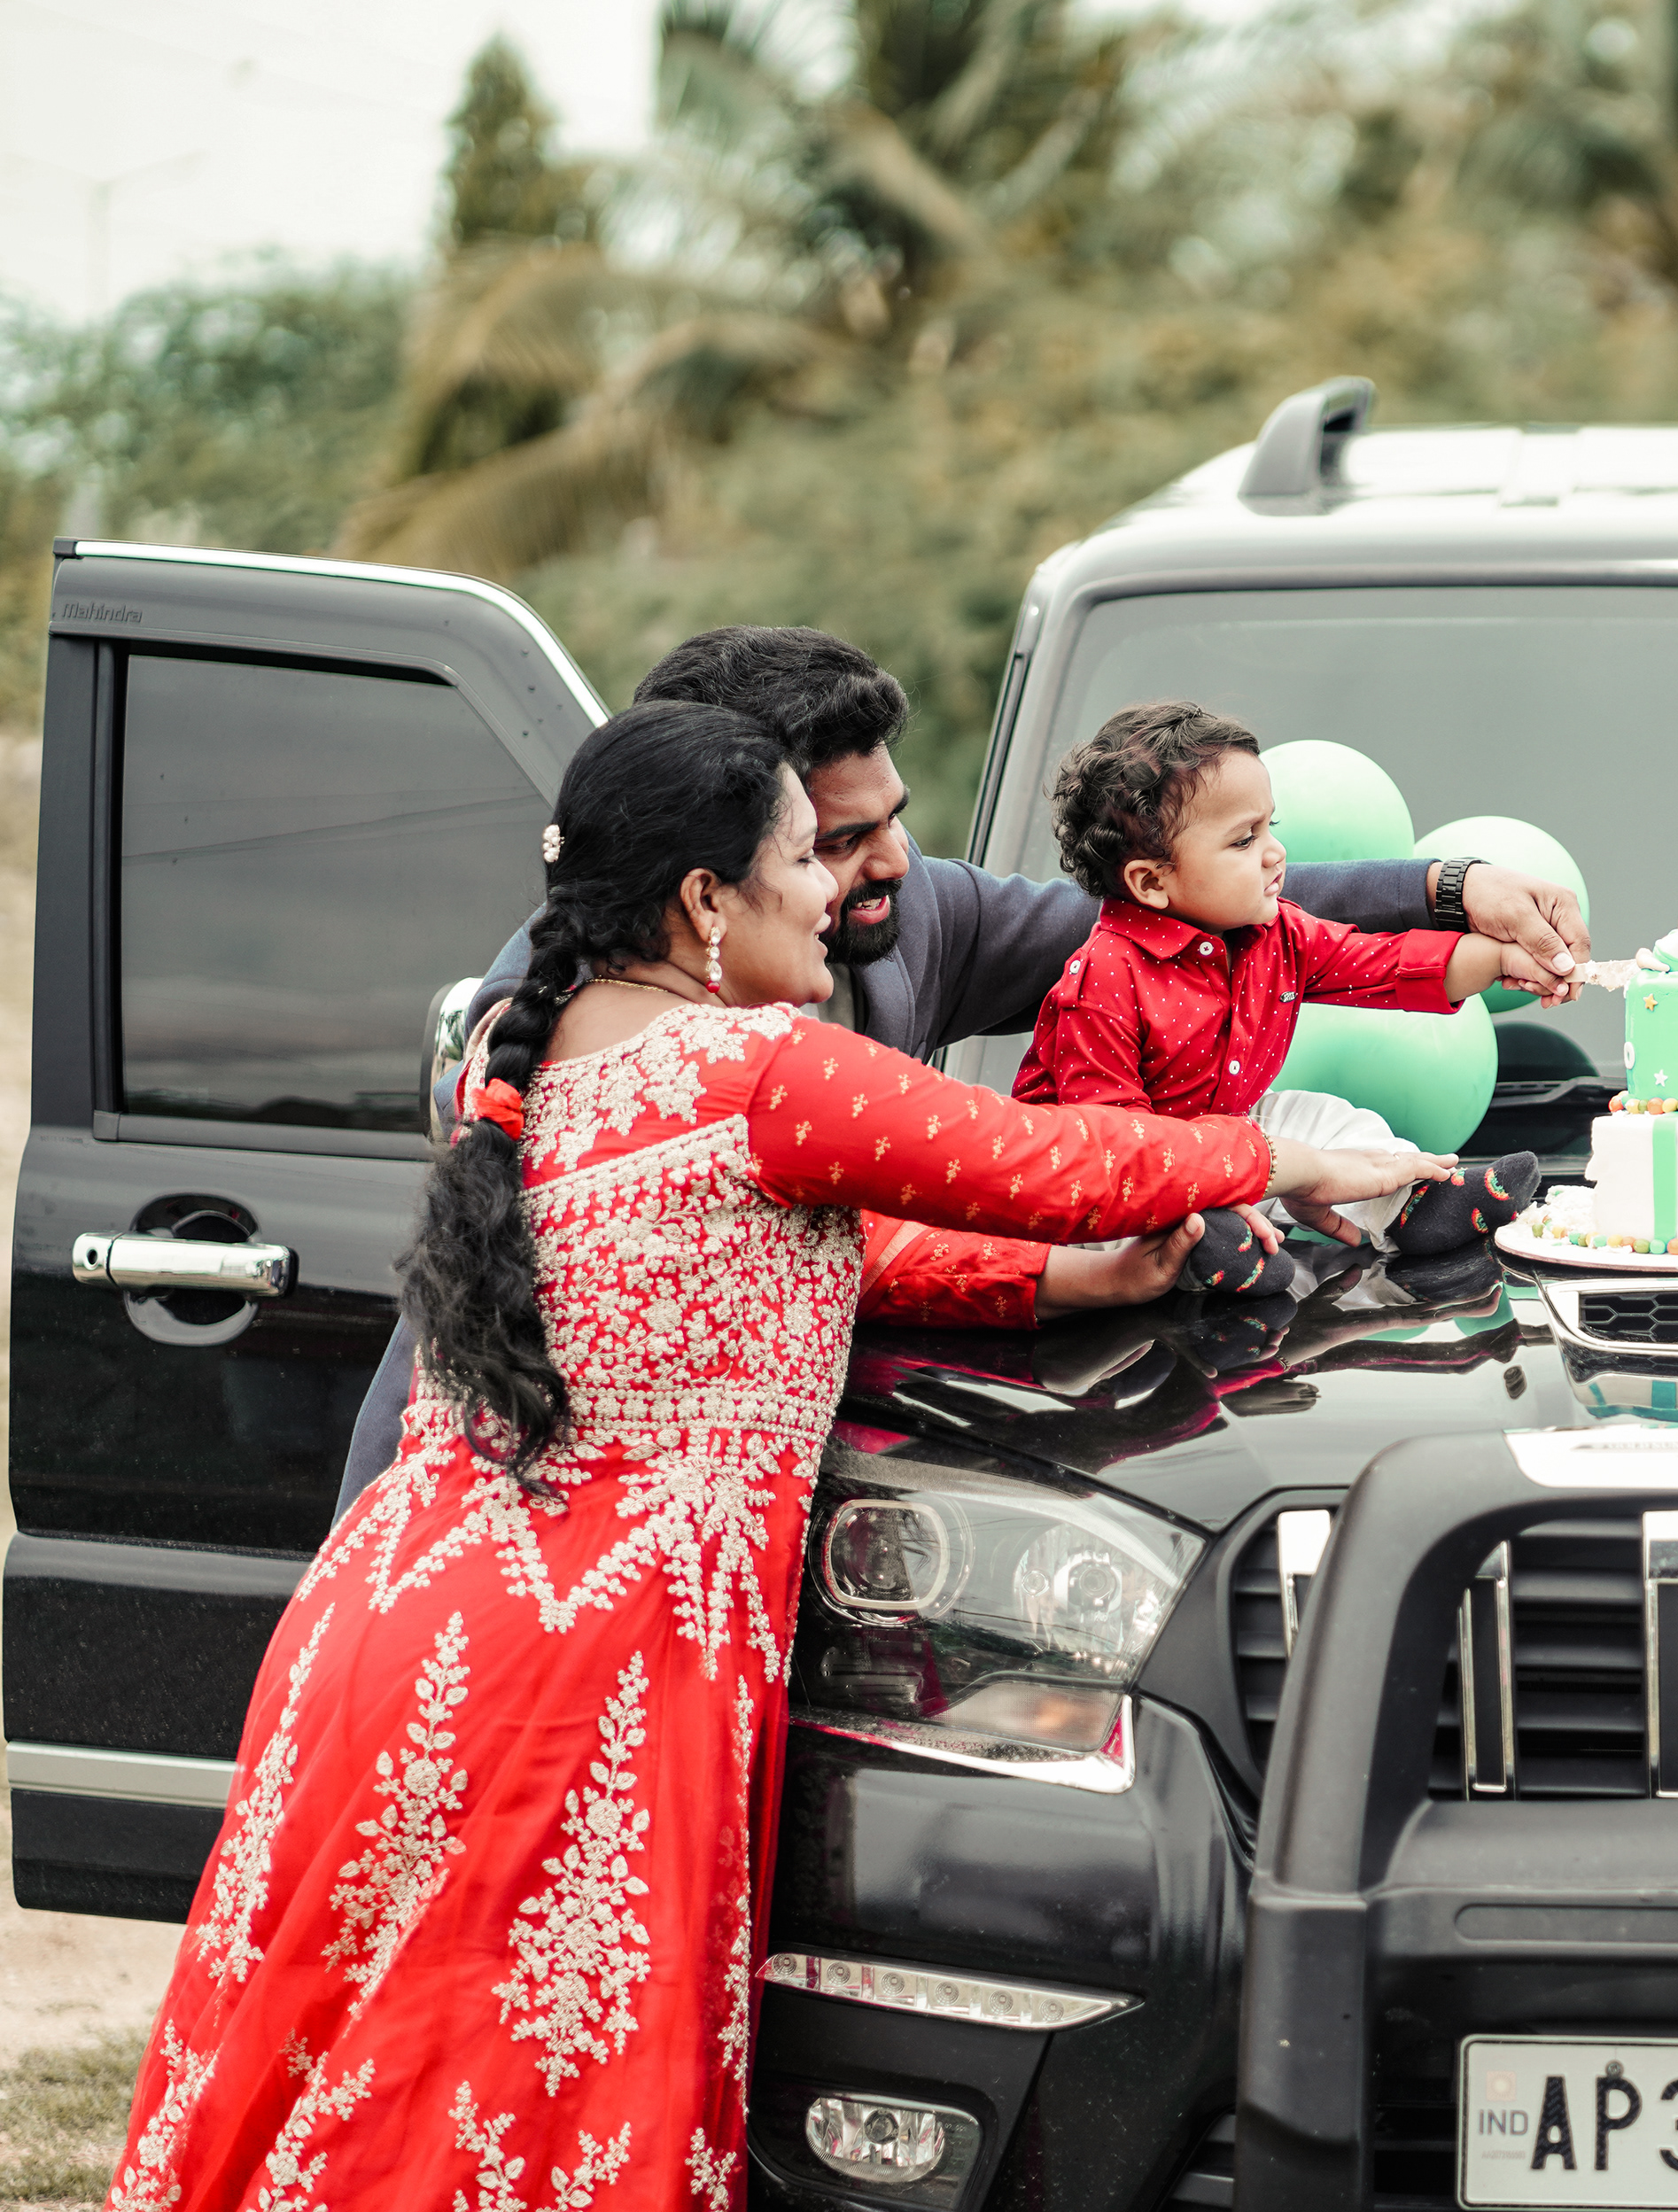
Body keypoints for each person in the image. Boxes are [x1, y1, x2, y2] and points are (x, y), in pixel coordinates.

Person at [109, 702, 1443, 2212]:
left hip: (408, 1632)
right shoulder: (758, 1069)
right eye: (807, 858)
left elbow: (836, 1254)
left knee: (383, 2100)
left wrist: (1068, 1286)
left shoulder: (556, 1060)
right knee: (517, 2122)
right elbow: (1043, 1157)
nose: (841, 892)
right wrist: (1292, 1154)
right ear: (706, 898)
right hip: (583, 1668)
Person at [331, 626, 1590, 1517]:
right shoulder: (587, 1024)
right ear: (721, 862)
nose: (889, 862)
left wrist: (1443, 891)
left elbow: (1185, 898)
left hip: (734, 1533)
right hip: (529, 1509)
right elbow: (1032, 1164)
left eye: (894, 818)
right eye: (832, 842)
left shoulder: (911, 916)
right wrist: (1274, 1161)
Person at [1019, 702, 1550, 1294]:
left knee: (1321, 1119)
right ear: (1151, 881)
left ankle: (1414, 1205)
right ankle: (1208, 1243)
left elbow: (1386, 964)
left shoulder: (1276, 932)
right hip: (1102, 1178)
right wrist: (1205, 1186)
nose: (1275, 852)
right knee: (1109, 1212)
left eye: (1271, 826)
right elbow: (1113, 1140)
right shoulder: (1104, 976)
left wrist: (1503, 959)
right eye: (1244, 839)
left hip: (1229, 1139)